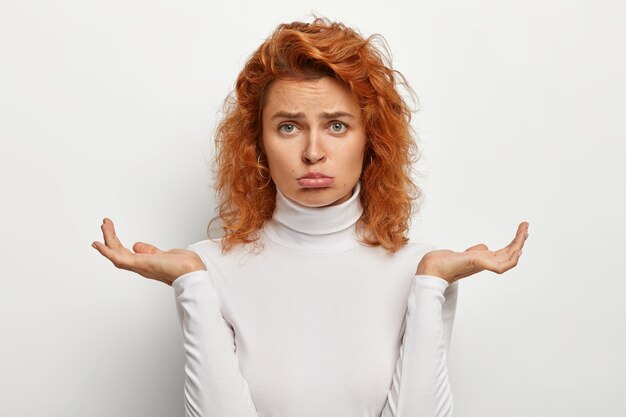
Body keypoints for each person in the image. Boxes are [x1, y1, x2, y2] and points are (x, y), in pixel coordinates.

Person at [92, 17, 529, 417]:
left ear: (370, 138)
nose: (313, 151)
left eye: (337, 125)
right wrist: (191, 280)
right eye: (288, 127)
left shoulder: (423, 269)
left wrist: (432, 280)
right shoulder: (210, 269)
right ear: (257, 142)